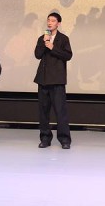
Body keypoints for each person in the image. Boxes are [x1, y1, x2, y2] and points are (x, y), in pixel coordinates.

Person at [34, 12, 73, 149]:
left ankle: (64, 139)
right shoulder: (42, 38)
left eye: (53, 20)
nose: (50, 22)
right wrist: (44, 43)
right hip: (43, 80)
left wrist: (53, 47)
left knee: (60, 111)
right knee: (43, 112)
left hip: (57, 80)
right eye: (48, 20)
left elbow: (68, 55)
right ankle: (45, 138)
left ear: (58, 24)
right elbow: (37, 55)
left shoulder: (63, 39)